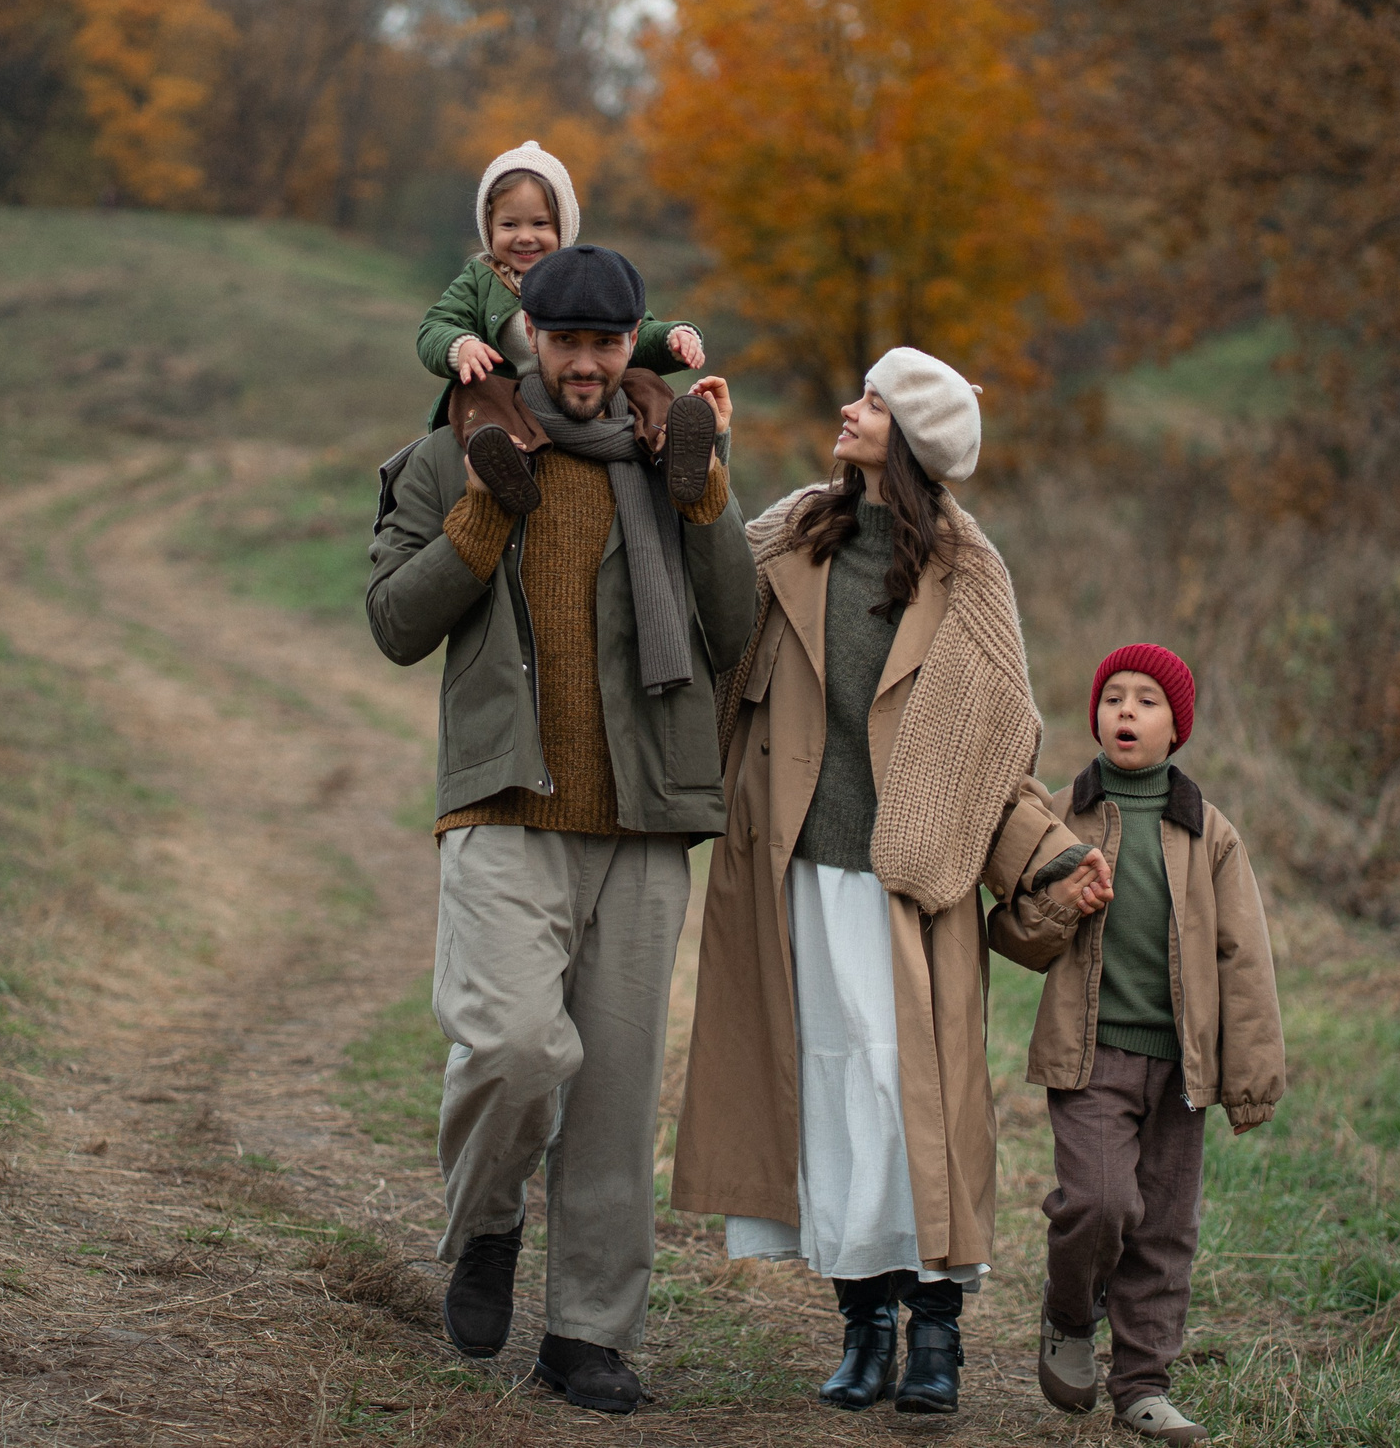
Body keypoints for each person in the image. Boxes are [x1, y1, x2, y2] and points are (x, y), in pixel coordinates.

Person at [365, 242, 756, 1416]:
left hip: (642, 819)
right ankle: (487, 1222)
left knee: (618, 1092)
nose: (585, 366)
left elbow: (733, 624)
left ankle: (588, 1332)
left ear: (630, 338)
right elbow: (392, 622)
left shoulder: (666, 457)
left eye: (604, 342)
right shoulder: (450, 456)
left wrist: (706, 494)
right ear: (530, 334)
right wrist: (486, 514)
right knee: (512, 1048)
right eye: (565, 341)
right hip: (503, 806)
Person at [673, 347, 1101, 1416]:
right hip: (797, 873)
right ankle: (862, 1327)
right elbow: (711, 598)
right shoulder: (795, 531)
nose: (847, 409)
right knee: (828, 1098)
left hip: (916, 884)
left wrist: (1033, 865)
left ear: (908, 435)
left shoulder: (969, 573)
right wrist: (704, 461)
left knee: (919, 1107)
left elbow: (996, 735)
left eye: (870, 400)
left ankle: (937, 1338)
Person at [987, 644, 1287, 1442]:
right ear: (1093, 713)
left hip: (1182, 1068)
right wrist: (1064, 905)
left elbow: (1243, 956)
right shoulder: (1058, 816)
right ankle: (1069, 1314)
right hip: (1091, 1057)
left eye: (1147, 700)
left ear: (1177, 727)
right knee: (1099, 1200)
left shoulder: (1207, 831)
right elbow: (1014, 933)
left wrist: (1250, 1074)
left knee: (1163, 1225)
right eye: (1113, 695)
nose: (1126, 710)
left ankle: (1144, 1383)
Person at [414, 141, 716, 519]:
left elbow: (632, 331)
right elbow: (435, 325)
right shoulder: (481, 279)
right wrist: (459, 345)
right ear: (489, 228)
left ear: (564, 226)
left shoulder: (582, 275)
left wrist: (674, 337)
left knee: (643, 381)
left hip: (574, 384)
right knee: (472, 391)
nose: (525, 237)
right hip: (509, 393)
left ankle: (672, 447)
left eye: (540, 224)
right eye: (510, 224)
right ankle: (505, 463)